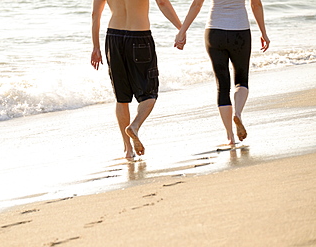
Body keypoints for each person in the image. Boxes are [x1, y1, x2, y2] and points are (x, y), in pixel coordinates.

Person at [91, 0, 182, 159]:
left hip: (113, 38)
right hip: (139, 36)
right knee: (150, 93)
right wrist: (182, 29)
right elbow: (162, 2)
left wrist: (96, 47)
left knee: (121, 97)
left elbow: (95, 15)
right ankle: (135, 125)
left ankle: (128, 149)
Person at [175, 0, 270, 145]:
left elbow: (196, 5)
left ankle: (230, 137)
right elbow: (255, 4)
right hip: (240, 32)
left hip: (214, 32)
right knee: (241, 79)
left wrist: (182, 31)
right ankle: (237, 113)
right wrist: (263, 33)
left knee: (222, 85)